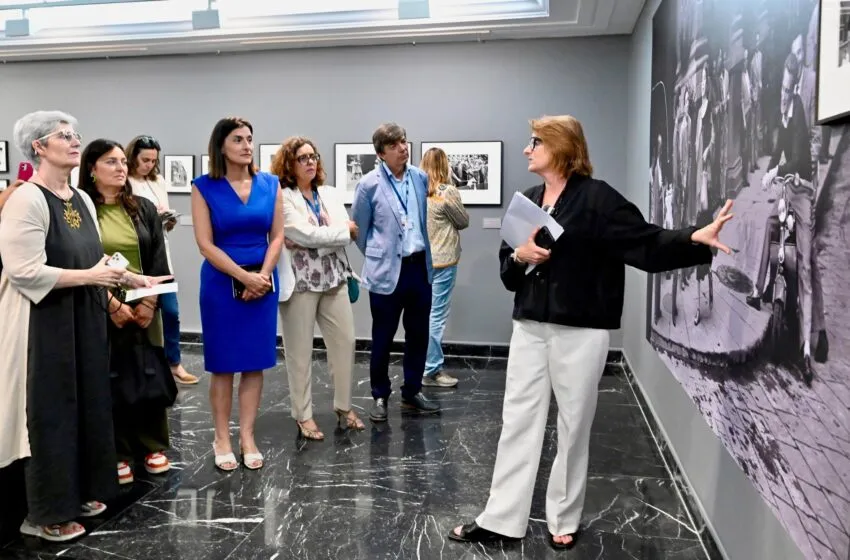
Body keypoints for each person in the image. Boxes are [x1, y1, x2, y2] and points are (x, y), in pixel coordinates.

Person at [448, 115, 733, 550]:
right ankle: (502, 519)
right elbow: (509, 267)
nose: (527, 149)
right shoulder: (527, 199)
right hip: (529, 326)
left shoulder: (599, 200)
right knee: (516, 422)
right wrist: (521, 255)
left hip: (581, 331)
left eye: (535, 142)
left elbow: (646, 242)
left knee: (574, 424)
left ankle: (563, 516)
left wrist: (695, 238)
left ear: (562, 148)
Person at [0, 110, 168, 542]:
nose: (76, 141)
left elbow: (96, 260)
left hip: (83, 320)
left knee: (88, 403)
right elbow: (24, 271)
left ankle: (79, 491)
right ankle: (44, 512)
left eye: (75, 134)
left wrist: (133, 278)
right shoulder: (26, 199)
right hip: (44, 324)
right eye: (64, 135)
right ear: (39, 147)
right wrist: (95, 278)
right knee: (50, 412)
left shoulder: (81, 200)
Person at [191, 117, 283, 471]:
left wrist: (260, 276)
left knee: (254, 363)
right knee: (224, 365)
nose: (247, 145)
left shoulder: (270, 184)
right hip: (221, 284)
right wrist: (242, 276)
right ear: (221, 146)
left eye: (249, 139)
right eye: (237, 139)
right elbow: (204, 243)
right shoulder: (204, 187)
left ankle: (247, 436)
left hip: (262, 283)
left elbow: (276, 236)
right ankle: (222, 437)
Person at [79, 139, 173, 485]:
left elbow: (158, 259)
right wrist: (110, 303)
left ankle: (152, 445)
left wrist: (149, 302)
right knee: (110, 376)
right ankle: (116, 450)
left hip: (144, 302)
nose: (121, 168)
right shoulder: (83, 210)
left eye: (122, 161)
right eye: (111, 162)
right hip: (99, 304)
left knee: (147, 371)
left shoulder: (143, 207)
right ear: (91, 169)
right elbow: (79, 261)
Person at [272, 136, 364, 440]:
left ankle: (343, 406)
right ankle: (303, 414)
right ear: (289, 164)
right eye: (302, 158)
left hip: (334, 278)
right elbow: (302, 232)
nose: (311, 162)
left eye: (313, 156)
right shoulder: (283, 197)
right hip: (300, 282)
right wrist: (334, 234)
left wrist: (325, 237)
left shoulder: (329, 194)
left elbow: (332, 233)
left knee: (346, 341)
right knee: (299, 352)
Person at [351, 122, 440, 422]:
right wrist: (379, 256)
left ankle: (412, 391)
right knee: (383, 337)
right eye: (394, 145)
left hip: (418, 268)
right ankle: (379, 394)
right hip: (387, 272)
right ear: (381, 154)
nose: (403, 148)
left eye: (403, 141)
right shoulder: (368, 185)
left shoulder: (419, 177)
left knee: (418, 335)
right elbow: (360, 232)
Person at [750, 54, 817, 384]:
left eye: (789, 92)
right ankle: (759, 287)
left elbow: (801, 160)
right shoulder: (783, 111)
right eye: (783, 91)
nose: (785, 97)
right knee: (769, 226)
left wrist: (779, 170)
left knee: (805, 267)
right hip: (787, 191)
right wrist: (768, 173)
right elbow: (778, 151)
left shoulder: (800, 114)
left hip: (803, 194)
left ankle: (807, 346)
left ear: (796, 90)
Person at [126, 135, 199, 386]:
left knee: (171, 312)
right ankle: (143, 367)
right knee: (139, 314)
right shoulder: (124, 182)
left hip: (160, 255)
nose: (149, 165)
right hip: (136, 257)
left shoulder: (158, 181)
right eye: (144, 159)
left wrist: (168, 220)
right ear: (133, 157)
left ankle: (174, 363)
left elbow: (164, 227)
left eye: (153, 160)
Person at [420, 147, 469, 388]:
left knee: (422, 316)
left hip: (422, 261)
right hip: (445, 261)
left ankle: (421, 366)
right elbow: (463, 221)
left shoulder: (418, 192)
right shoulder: (447, 191)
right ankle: (431, 370)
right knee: (436, 316)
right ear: (444, 165)